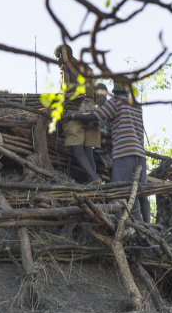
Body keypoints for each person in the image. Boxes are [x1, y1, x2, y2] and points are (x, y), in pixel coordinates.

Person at [62, 78, 151, 223]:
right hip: (140, 153)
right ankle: (146, 225)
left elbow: (94, 116)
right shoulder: (136, 106)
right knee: (141, 191)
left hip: (124, 154)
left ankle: (124, 222)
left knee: (119, 190)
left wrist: (71, 116)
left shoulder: (115, 102)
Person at [55, 44, 101, 185]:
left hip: (75, 108)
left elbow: (65, 88)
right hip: (92, 109)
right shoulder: (87, 68)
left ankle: (93, 178)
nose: (57, 62)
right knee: (88, 148)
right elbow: (97, 92)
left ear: (62, 55)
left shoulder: (66, 67)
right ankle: (93, 181)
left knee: (77, 146)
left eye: (57, 58)